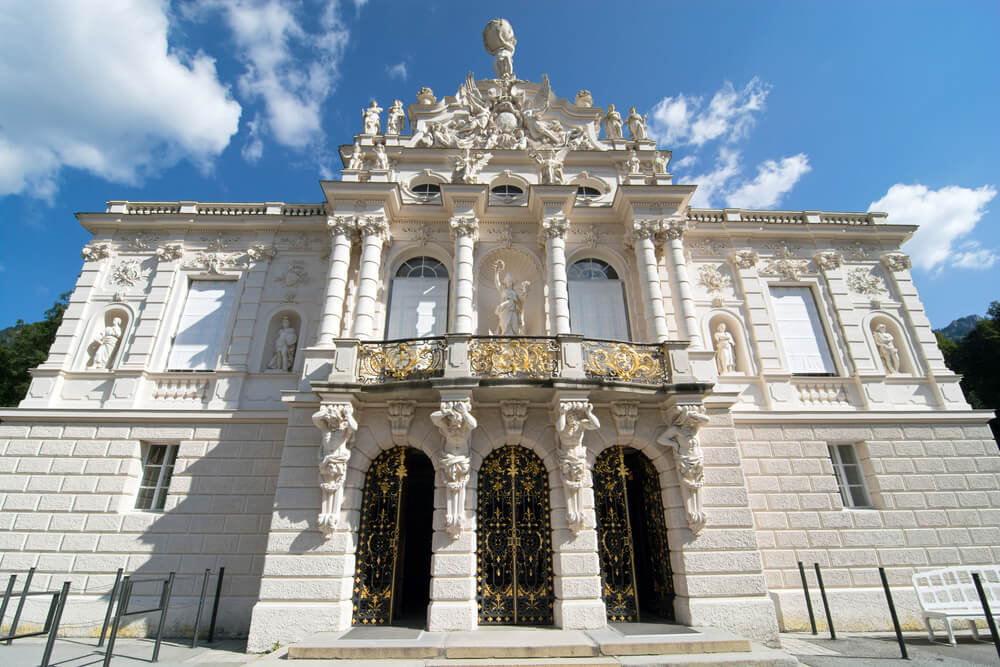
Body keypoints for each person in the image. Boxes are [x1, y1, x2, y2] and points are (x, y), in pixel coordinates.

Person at [493, 259, 530, 335]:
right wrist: (497, 272)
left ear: (512, 283)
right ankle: (506, 344)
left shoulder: (515, 292)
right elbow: (497, 282)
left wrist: (526, 290)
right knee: (506, 326)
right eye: (507, 281)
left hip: (514, 311)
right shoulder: (503, 290)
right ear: (505, 282)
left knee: (515, 327)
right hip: (505, 311)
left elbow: (522, 299)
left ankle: (515, 343)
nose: (509, 283)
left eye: (510, 281)